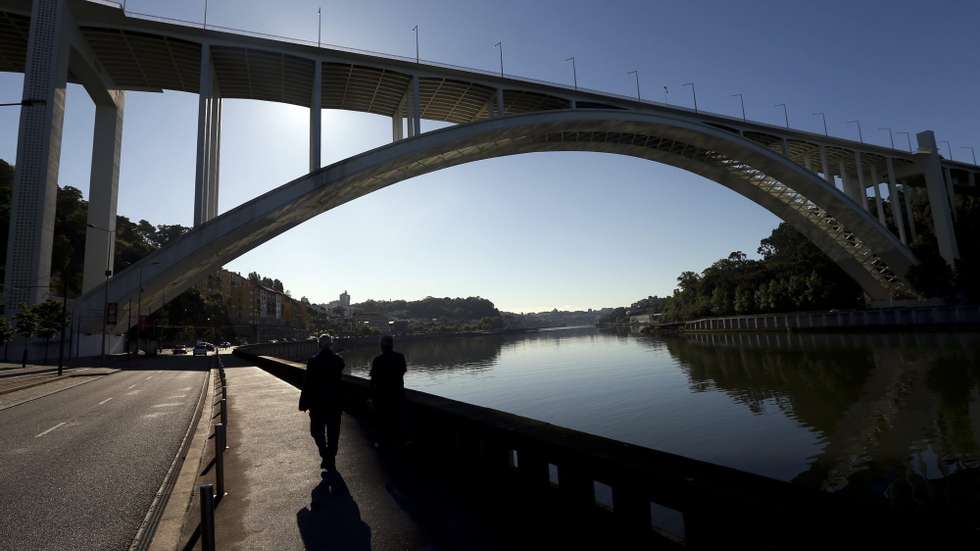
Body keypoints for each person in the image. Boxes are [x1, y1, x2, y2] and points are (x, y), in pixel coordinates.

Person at [299, 334, 345, 471]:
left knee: (316, 431)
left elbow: (307, 384)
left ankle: (325, 455)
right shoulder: (339, 361)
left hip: (317, 403)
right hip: (334, 403)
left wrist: (303, 403)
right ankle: (330, 457)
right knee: (333, 433)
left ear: (318, 345)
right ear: (331, 344)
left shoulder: (313, 361)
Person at [369, 335, 407, 449]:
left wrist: (371, 396)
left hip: (381, 396)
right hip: (397, 394)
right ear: (392, 345)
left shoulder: (377, 360)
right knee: (397, 419)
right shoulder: (400, 357)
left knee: (382, 420)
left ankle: (383, 443)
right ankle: (398, 443)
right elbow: (402, 371)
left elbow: (373, 380)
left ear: (381, 346)